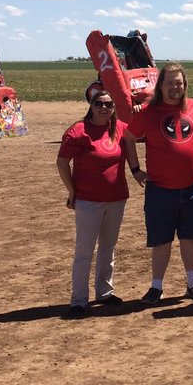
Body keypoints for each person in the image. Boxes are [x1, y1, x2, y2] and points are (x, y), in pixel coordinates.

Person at [123, 63, 193, 304]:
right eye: (170, 83)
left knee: (190, 238)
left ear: (184, 85)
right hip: (160, 189)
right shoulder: (148, 112)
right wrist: (135, 170)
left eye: (179, 83)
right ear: (161, 85)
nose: (175, 87)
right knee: (161, 240)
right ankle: (156, 287)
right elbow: (128, 137)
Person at [57, 91, 128, 316]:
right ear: (92, 105)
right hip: (88, 200)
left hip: (116, 198)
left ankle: (105, 292)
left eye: (109, 104)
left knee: (108, 247)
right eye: (99, 103)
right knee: (84, 251)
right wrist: (72, 191)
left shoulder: (121, 129)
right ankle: (79, 299)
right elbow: (62, 162)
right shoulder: (78, 131)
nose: (104, 108)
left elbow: (143, 133)